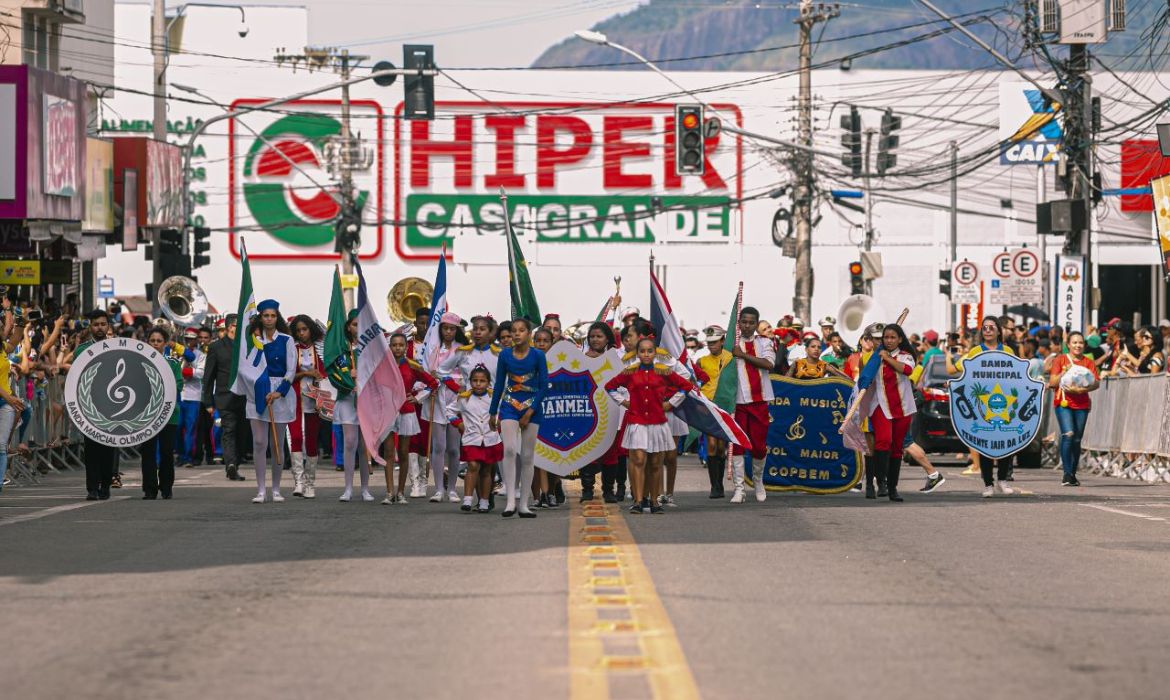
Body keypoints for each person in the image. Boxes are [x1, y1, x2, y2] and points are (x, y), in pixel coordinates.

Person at [606, 337, 693, 514]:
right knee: (638, 460)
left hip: (657, 423)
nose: (646, 354)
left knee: (655, 463)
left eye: (650, 351)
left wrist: (671, 403)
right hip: (637, 422)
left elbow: (686, 385)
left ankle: (654, 502)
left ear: (655, 353)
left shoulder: (663, 371)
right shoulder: (630, 372)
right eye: (642, 351)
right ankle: (638, 501)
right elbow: (610, 386)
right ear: (637, 353)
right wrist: (624, 402)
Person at [946, 316, 1016, 497]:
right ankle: (988, 484)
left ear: (998, 331)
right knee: (985, 443)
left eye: (992, 327)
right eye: (985, 327)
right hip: (982, 405)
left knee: (1006, 442)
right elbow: (959, 372)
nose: (988, 330)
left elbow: (1017, 375)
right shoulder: (975, 351)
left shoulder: (1008, 350)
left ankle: (1002, 480)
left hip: (1003, 402)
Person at [488, 318, 547, 518]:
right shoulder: (504, 355)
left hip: (532, 408)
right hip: (509, 406)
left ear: (529, 334)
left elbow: (544, 386)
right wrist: (493, 411)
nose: (516, 334)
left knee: (528, 456)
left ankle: (524, 505)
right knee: (510, 450)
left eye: (521, 330)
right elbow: (499, 384)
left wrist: (530, 412)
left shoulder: (538, 355)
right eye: (514, 331)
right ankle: (511, 501)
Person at [243, 300, 297, 504]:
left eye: (273, 315)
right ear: (260, 317)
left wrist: (279, 392)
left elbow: (291, 370)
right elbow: (244, 367)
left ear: (277, 317)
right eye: (266, 315)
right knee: (259, 442)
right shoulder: (253, 341)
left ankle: (275, 489)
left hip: (279, 393)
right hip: (256, 390)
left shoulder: (286, 340)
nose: (269, 319)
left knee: (277, 443)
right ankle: (260, 490)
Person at [418, 312, 466, 503]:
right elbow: (426, 374)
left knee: (453, 448)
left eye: (452, 329)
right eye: (445, 328)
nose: (448, 332)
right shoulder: (433, 350)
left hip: (455, 401)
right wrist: (431, 380)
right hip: (437, 400)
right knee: (438, 447)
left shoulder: (462, 349)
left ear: (457, 330)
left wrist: (450, 381)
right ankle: (438, 489)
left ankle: (452, 489)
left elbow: (465, 376)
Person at [727, 306, 774, 503]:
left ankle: (758, 481)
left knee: (759, 446)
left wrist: (743, 355)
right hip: (737, 402)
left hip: (759, 401)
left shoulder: (765, 342)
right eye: (744, 322)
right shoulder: (730, 344)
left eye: (751, 322)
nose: (747, 325)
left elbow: (769, 364)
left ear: (756, 324)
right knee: (737, 445)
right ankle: (739, 488)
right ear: (738, 323)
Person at [385, 332, 438, 504]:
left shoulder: (413, 365)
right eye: (394, 345)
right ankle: (389, 492)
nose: (397, 348)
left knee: (404, 452)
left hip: (406, 411)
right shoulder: (383, 365)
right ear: (390, 347)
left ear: (406, 347)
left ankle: (401, 492)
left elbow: (433, 383)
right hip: (388, 411)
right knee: (388, 452)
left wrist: (418, 397)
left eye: (401, 345)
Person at [867, 324, 918, 502]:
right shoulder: (875, 357)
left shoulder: (906, 356)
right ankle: (880, 481)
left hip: (903, 406)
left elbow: (907, 370)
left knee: (897, 448)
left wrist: (887, 358)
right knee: (883, 441)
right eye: (886, 338)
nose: (889, 341)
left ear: (900, 339)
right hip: (880, 405)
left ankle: (892, 488)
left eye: (892, 337)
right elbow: (865, 378)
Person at [72, 310, 116, 500]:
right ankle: (92, 488)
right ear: (90, 326)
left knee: (108, 448)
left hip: (112, 406)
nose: (100, 328)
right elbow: (76, 379)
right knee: (91, 450)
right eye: (96, 324)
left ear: (108, 326)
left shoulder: (117, 347)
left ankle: (105, 485)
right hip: (89, 406)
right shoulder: (81, 350)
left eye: (103, 324)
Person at [1049, 331, 1100, 486]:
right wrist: (1064, 372)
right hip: (1063, 402)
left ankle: (1072, 473)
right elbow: (1052, 383)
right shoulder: (1060, 360)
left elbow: (1096, 383)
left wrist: (1082, 390)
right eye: (1075, 342)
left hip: (1082, 404)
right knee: (1068, 434)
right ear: (1068, 345)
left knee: (1077, 439)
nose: (1078, 345)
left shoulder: (1088, 362)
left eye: (1080, 343)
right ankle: (1066, 473)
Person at [447, 365, 501, 512]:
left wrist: (499, 423)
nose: (478, 384)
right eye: (475, 380)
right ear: (470, 382)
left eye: (482, 381)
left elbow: (502, 413)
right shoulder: (464, 398)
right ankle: (467, 500)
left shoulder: (494, 397)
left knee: (486, 471)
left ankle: (484, 502)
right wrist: (458, 423)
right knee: (472, 466)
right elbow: (449, 411)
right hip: (471, 438)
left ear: (488, 382)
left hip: (490, 438)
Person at [331, 311, 371, 502]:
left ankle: (365, 489)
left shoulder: (371, 347)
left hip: (366, 399)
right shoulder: (342, 349)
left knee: (364, 446)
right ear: (348, 326)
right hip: (348, 399)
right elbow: (336, 372)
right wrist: (349, 377)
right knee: (349, 442)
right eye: (355, 324)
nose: (358, 328)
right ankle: (348, 488)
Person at [201, 314, 246, 481]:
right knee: (229, 430)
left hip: (244, 397)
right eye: (237, 325)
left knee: (241, 433)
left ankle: (236, 462)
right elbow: (208, 376)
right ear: (229, 327)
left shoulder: (246, 346)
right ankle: (231, 464)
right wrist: (207, 401)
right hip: (224, 397)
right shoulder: (216, 347)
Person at [140, 326, 184, 499]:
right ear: (147, 342)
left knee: (166, 451)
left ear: (165, 343)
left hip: (168, 414)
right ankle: (149, 489)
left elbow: (178, 384)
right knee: (148, 451)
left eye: (159, 341)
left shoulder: (173, 363)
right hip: (146, 414)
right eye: (152, 341)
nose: (155, 344)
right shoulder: (139, 361)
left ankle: (166, 487)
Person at [289, 315, 325, 498]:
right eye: (298, 330)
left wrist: (320, 379)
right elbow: (287, 375)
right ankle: (298, 481)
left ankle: (310, 483)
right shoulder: (292, 349)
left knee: (311, 440)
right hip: (294, 399)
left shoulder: (320, 349)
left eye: (304, 329)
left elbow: (326, 374)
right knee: (295, 438)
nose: (301, 333)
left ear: (311, 329)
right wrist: (306, 373)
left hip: (315, 400)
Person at [696, 325, 733, 498]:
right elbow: (695, 382)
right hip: (708, 405)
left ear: (723, 341)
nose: (712, 345)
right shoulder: (702, 361)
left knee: (721, 446)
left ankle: (720, 483)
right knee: (711, 444)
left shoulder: (731, 359)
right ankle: (715, 486)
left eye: (715, 342)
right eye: (709, 342)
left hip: (724, 405)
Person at [176, 327, 203, 468]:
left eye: (192, 339)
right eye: (187, 339)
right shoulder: (177, 353)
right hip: (179, 395)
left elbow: (201, 373)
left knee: (190, 428)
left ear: (196, 340)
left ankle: (189, 456)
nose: (189, 341)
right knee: (177, 427)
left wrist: (187, 371)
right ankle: (180, 455)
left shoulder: (200, 355)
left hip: (193, 396)